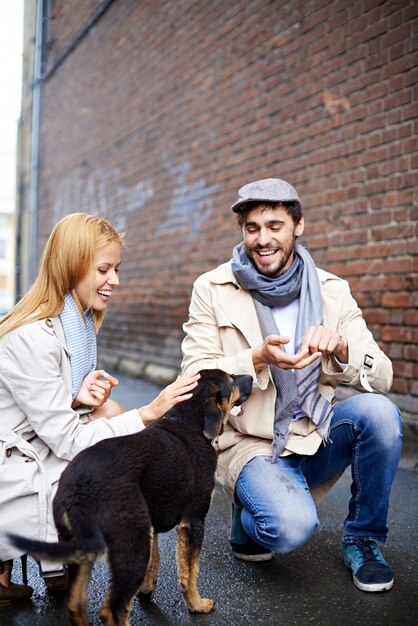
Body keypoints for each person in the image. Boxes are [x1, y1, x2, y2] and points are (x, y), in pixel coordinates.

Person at [181, 178, 402, 593]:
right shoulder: (213, 288)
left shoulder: (332, 291)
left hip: (315, 432)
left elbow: (383, 377)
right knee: (288, 530)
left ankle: (364, 541)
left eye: (275, 226)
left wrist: (341, 348)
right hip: (252, 442)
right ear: (243, 231)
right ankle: (249, 507)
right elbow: (193, 377)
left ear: (298, 226)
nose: (263, 239)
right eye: (252, 228)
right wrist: (257, 358)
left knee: (381, 414)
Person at [0, 213, 200, 606]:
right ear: (71, 267)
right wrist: (150, 412)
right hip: (13, 464)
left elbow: (47, 413)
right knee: (116, 458)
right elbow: (67, 439)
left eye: (116, 269)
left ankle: (55, 559)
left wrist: (77, 400)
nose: (115, 280)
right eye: (104, 269)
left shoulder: (74, 324)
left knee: (111, 416)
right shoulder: (32, 339)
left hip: (30, 448)